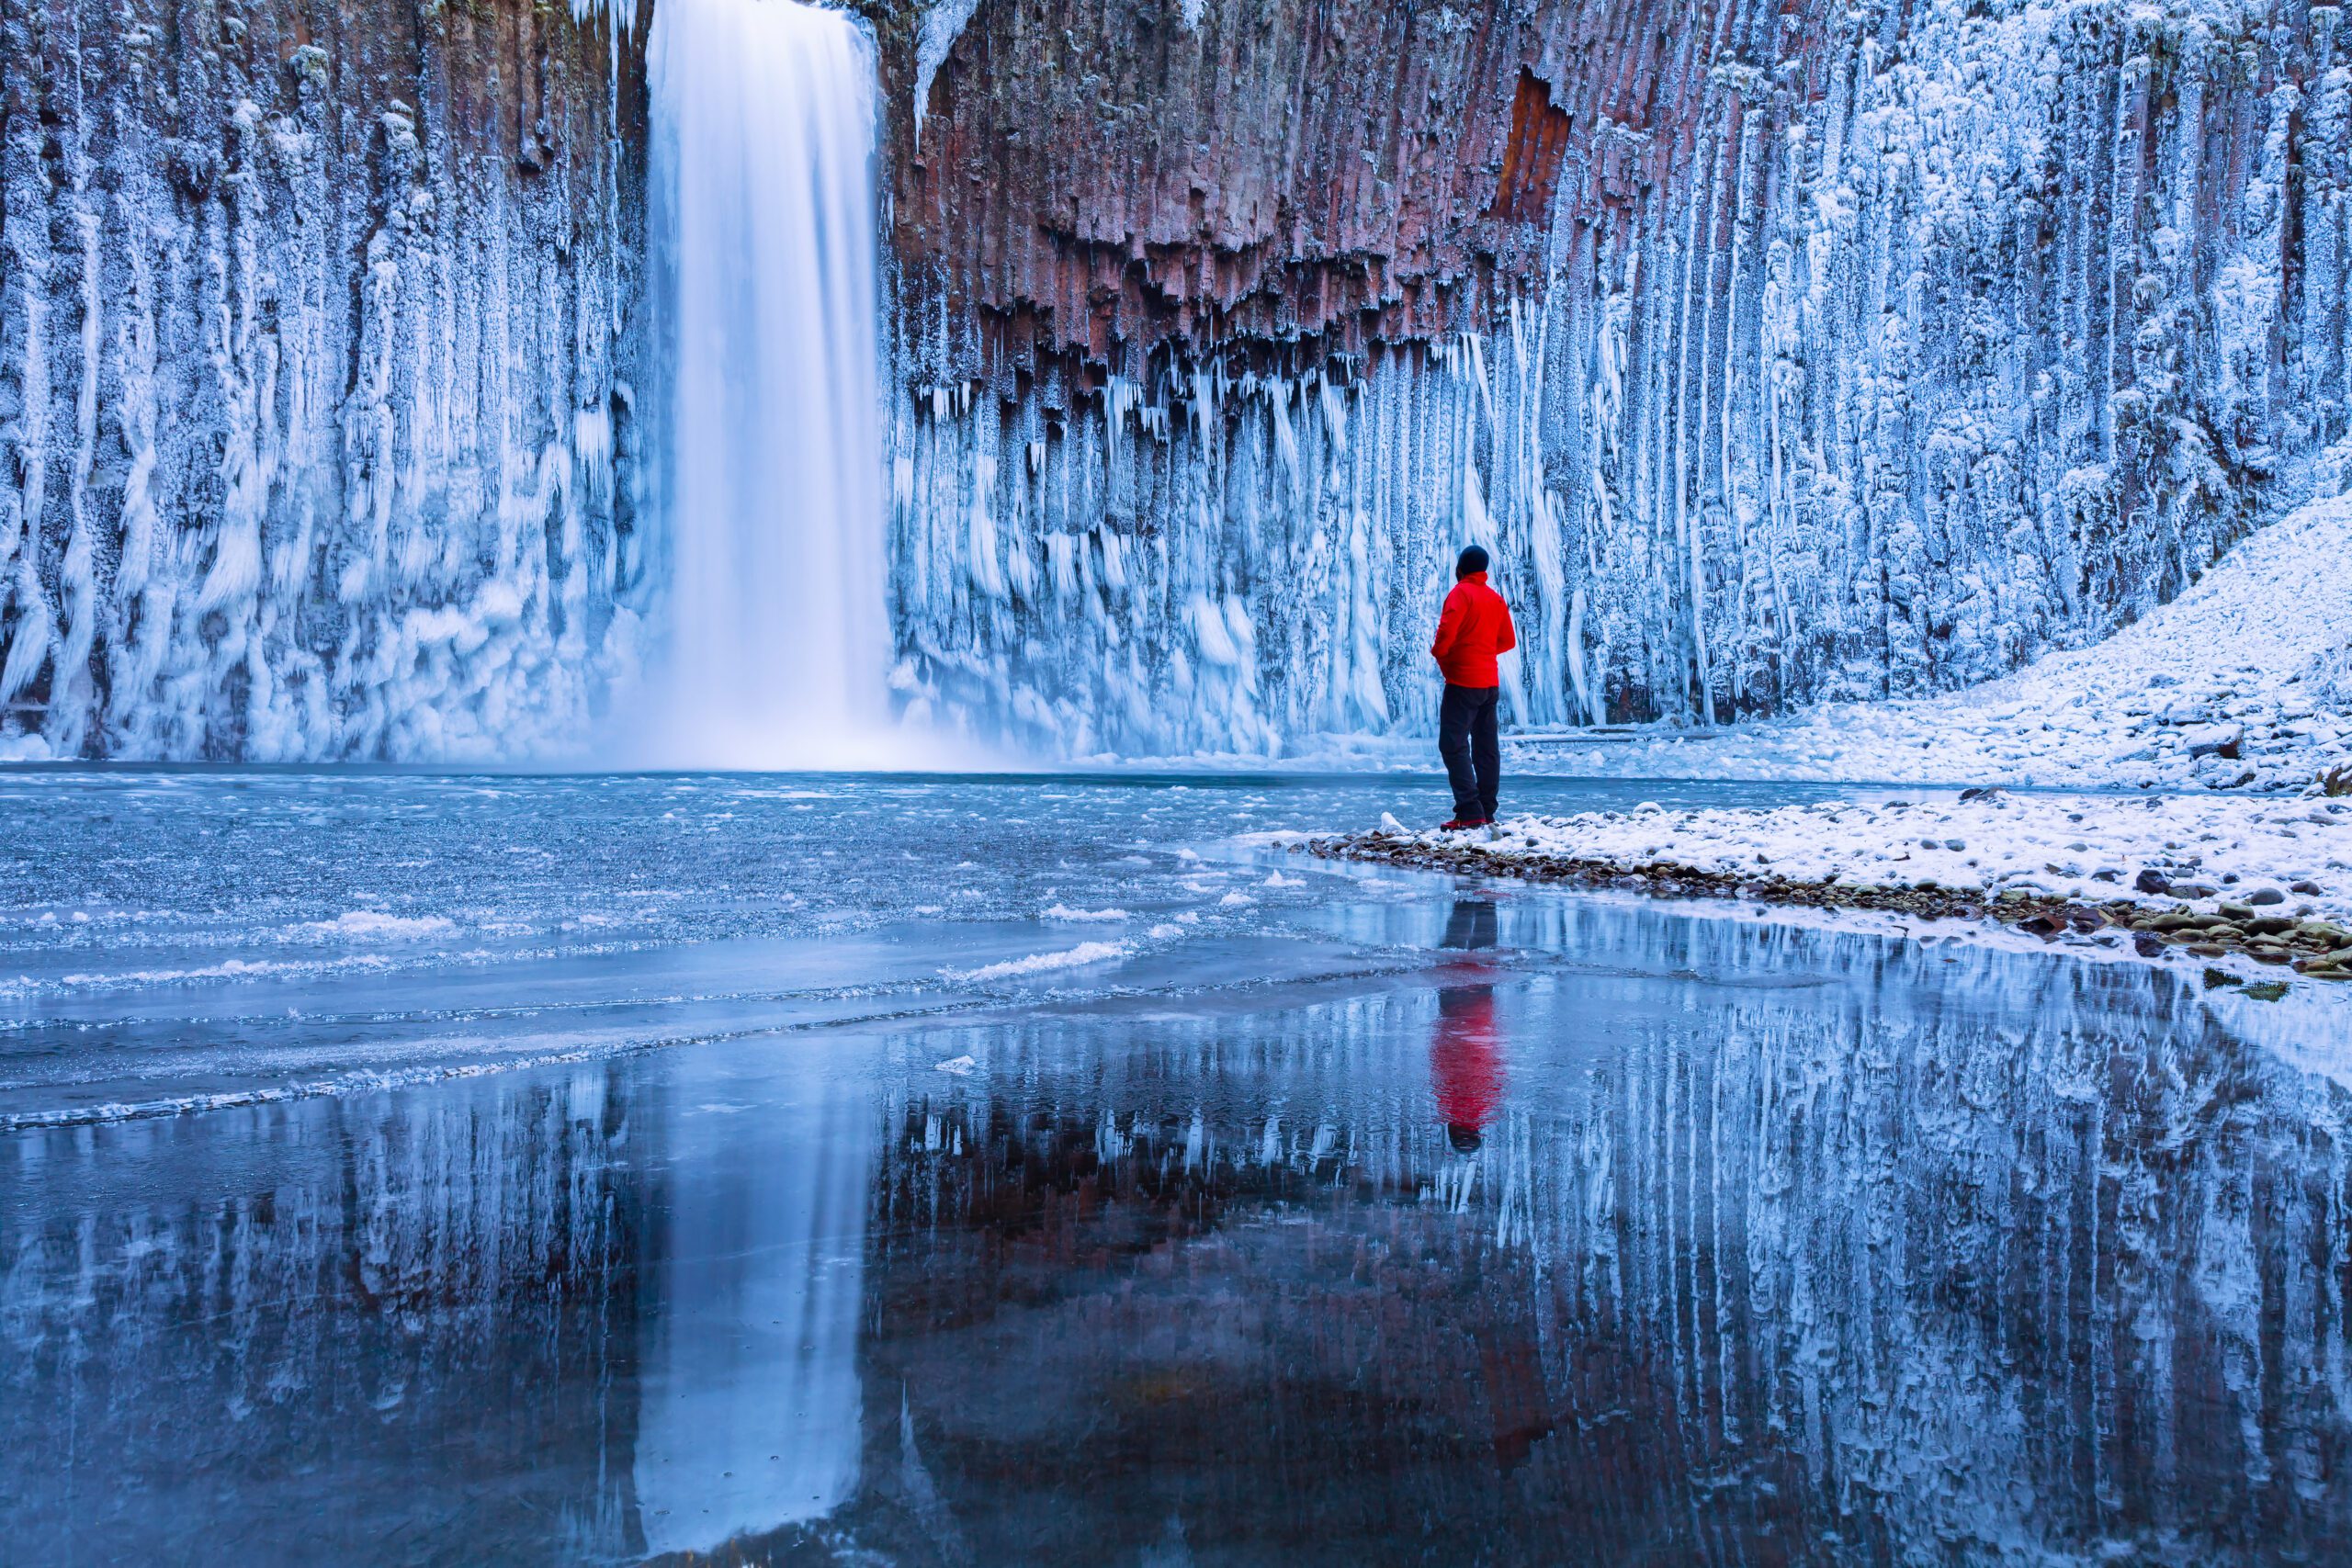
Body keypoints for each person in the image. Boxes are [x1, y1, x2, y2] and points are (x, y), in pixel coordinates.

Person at [1429, 544, 1517, 830]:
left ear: (1461, 568)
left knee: (1452, 745)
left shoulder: (1460, 593)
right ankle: (1487, 810)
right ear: (1484, 570)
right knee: (1486, 747)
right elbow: (1508, 641)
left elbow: (1446, 633)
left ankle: (1469, 811)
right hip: (1489, 683)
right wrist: (1482, 651)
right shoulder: (1495, 599)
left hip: (1463, 681)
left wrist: (1441, 654)